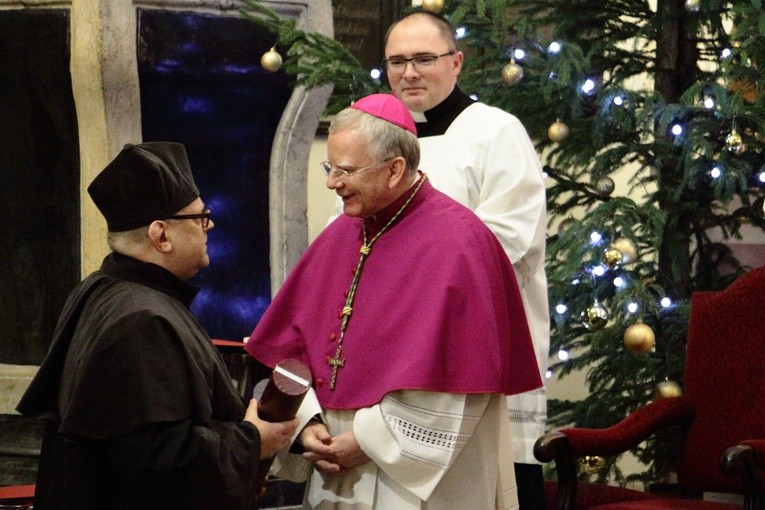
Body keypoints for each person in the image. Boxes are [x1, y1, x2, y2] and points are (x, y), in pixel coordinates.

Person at [244, 93, 542, 509]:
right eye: (330, 168)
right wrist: (309, 423)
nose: (332, 182)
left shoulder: (461, 244)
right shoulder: (340, 234)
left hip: (423, 480)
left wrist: (368, 442)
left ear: (394, 169)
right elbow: (294, 350)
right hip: (334, 463)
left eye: (345, 170)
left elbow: (460, 381)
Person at [17, 142, 298, 510]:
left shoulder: (105, 289)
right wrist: (252, 442)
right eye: (199, 217)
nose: (209, 225)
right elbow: (158, 466)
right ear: (160, 235)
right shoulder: (142, 321)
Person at [383, 10, 550, 509]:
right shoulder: (379, 143)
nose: (409, 73)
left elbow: (510, 241)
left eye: (423, 59)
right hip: (398, 357)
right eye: (396, 62)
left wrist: (418, 288)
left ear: (456, 62)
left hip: (477, 347)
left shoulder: (496, 132)